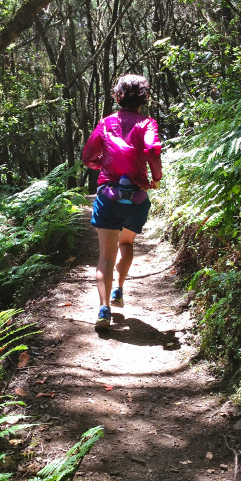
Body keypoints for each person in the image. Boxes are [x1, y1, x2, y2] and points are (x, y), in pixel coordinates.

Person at [82, 74, 162, 329]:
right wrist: (156, 177)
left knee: (105, 257)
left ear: (117, 97)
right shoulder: (147, 123)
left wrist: (100, 165)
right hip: (136, 196)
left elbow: (88, 157)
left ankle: (103, 309)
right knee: (126, 243)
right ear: (144, 98)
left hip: (108, 195)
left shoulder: (106, 123)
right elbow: (152, 149)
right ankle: (119, 289)